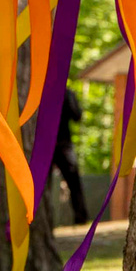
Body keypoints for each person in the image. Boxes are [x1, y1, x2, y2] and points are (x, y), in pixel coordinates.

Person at [52, 88, 89, 225]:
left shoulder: (65, 92)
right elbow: (77, 115)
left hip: (62, 145)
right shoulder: (39, 91)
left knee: (74, 182)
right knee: (40, 185)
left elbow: (76, 115)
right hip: (50, 145)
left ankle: (80, 216)